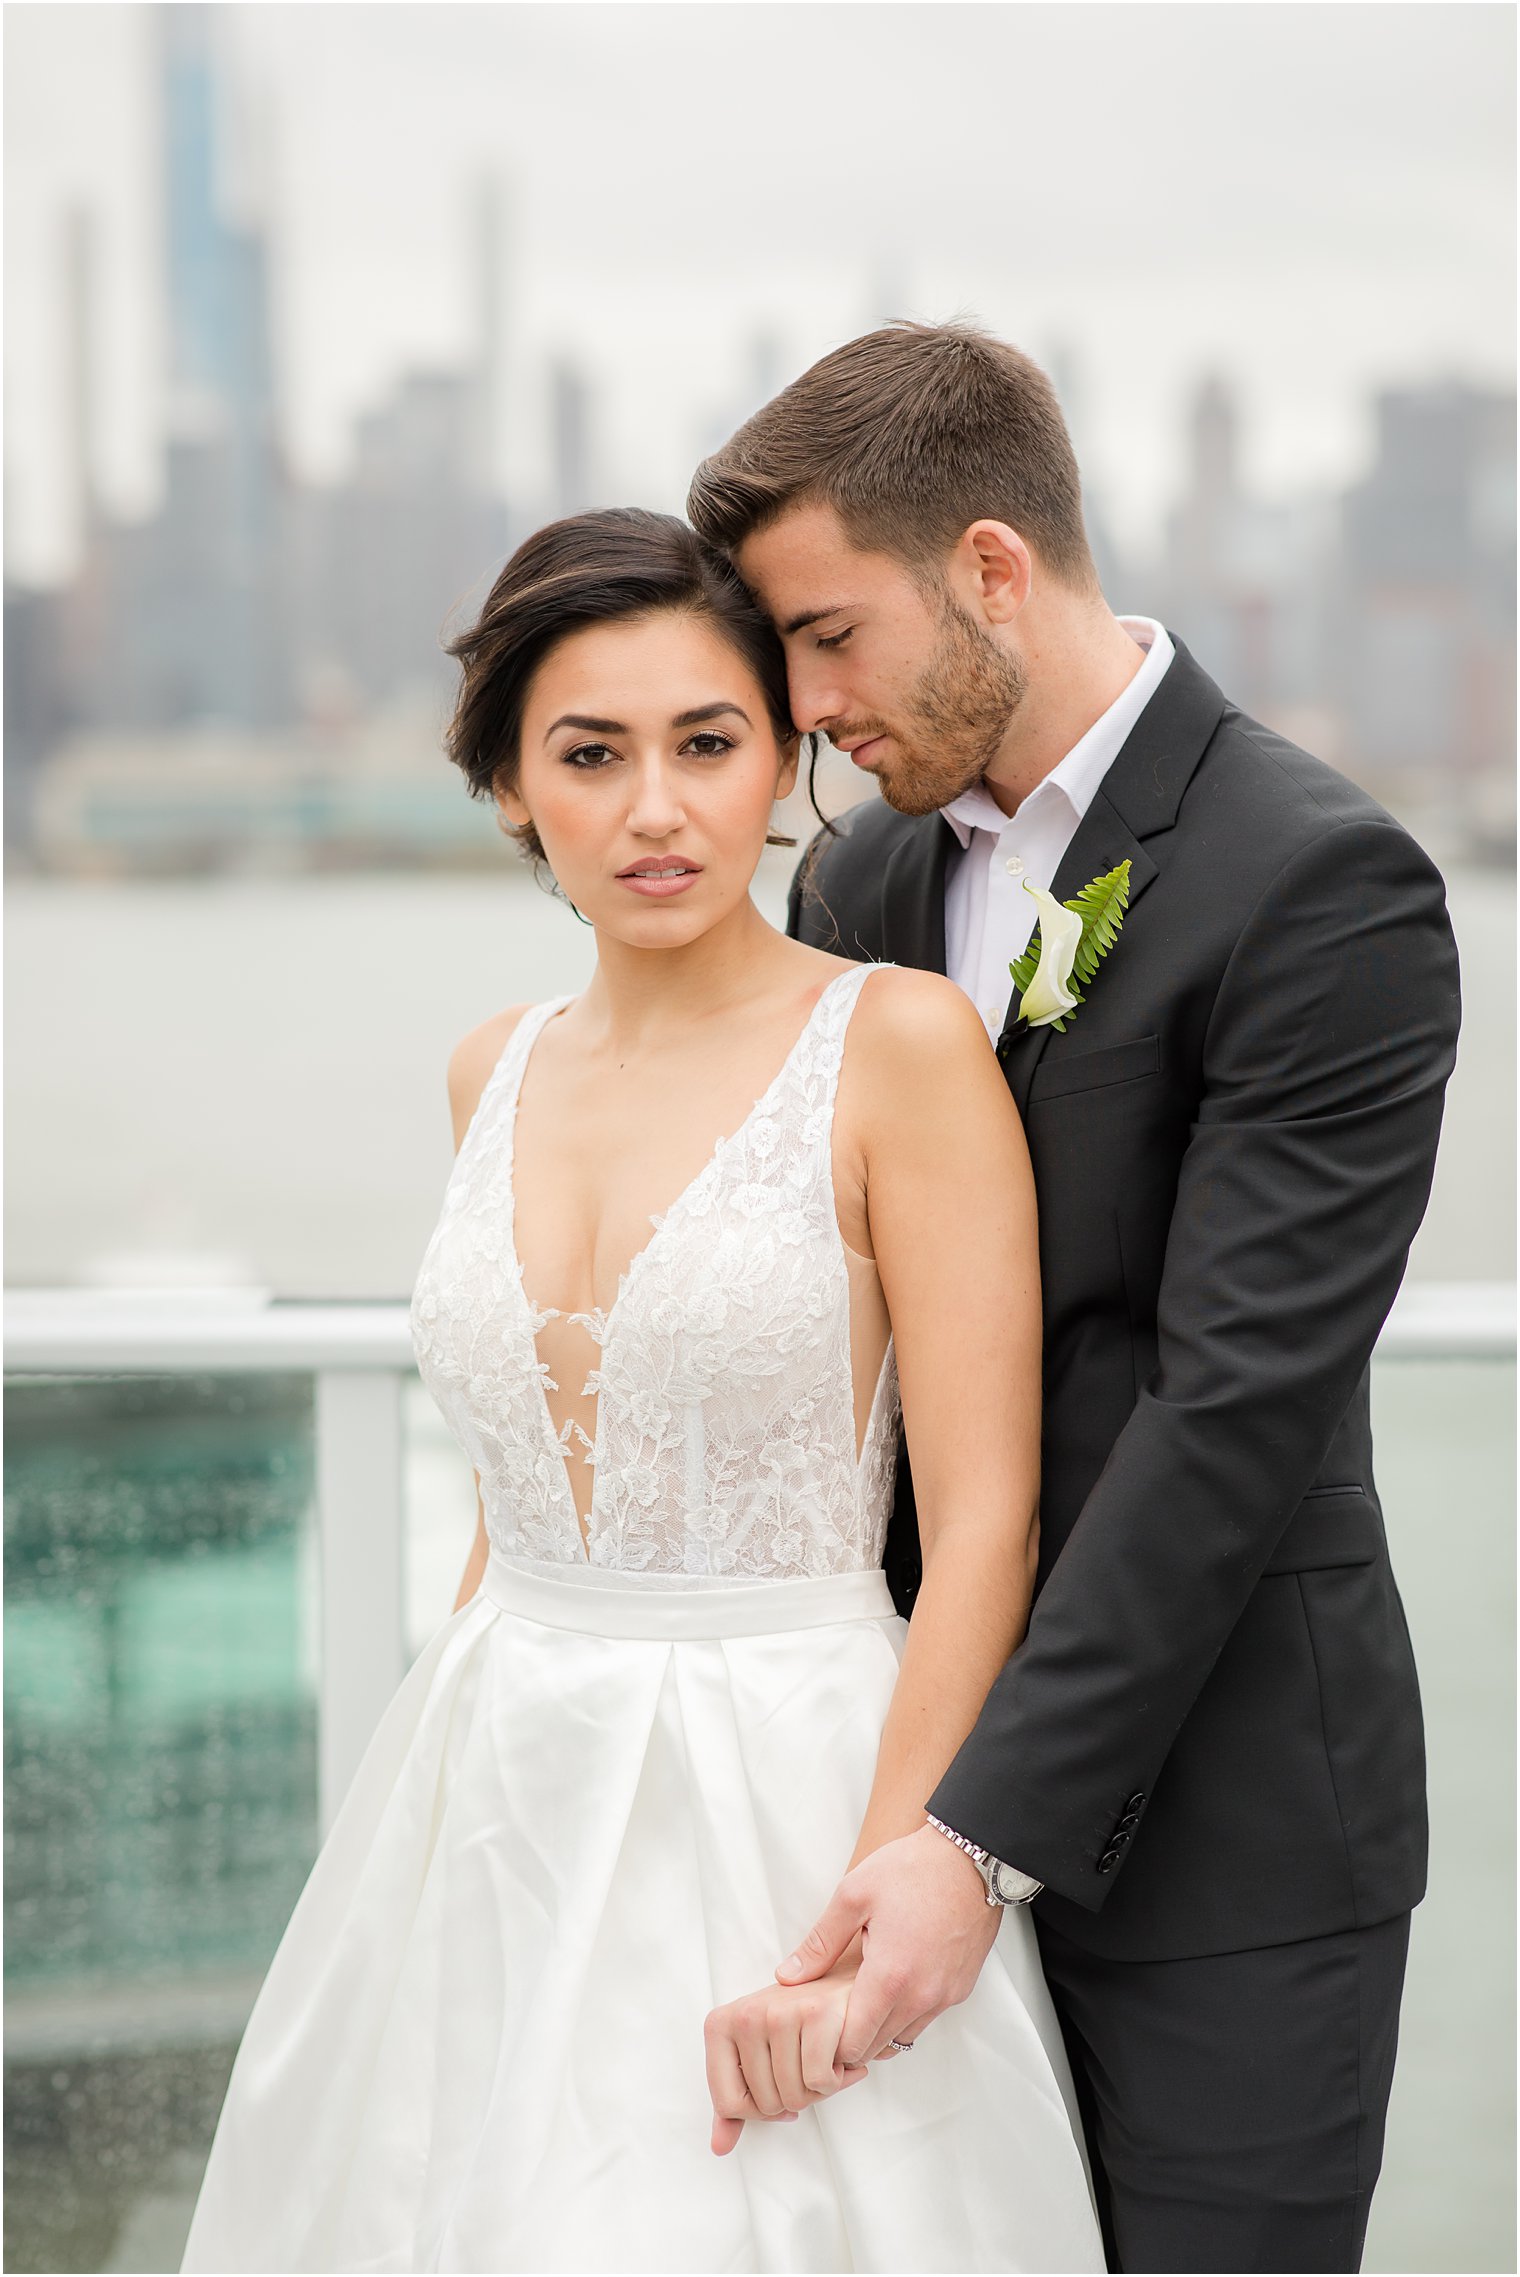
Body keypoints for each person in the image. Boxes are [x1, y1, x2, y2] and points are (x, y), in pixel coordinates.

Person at [178, 507, 1104, 2274]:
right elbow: (521, 1485)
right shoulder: (489, 1070)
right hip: (486, 1773)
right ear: (514, 787)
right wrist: (432, 1776)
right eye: (591, 755)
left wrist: (915, 1865)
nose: (657, 809)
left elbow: (990, 1520)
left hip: (787, 1775)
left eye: (707, 743)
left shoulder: (897, 1043)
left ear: (781, 758)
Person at [687, 319, 1463, 2275]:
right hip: (874, 1794)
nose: (803, 704)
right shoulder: (855, 895)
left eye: (829, 634)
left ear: (991, 569)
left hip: (1224, 1841)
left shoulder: (1319, 889)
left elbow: (1230, 1419)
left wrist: (981, 1836)